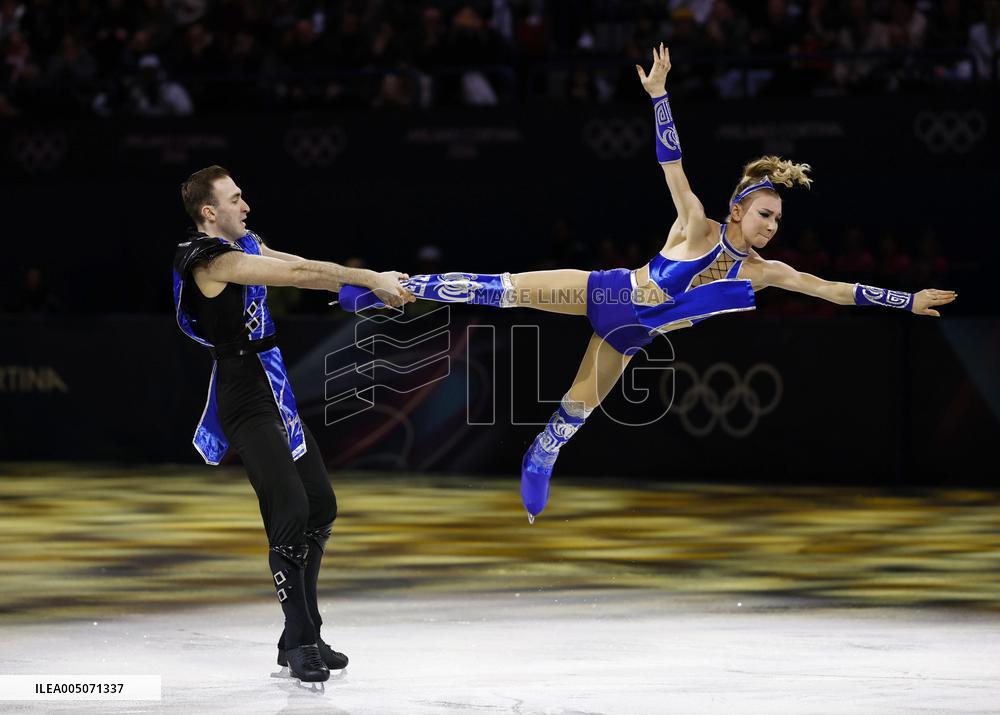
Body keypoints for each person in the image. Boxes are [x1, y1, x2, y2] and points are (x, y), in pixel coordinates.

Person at [338, 45, 957, 521]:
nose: (772, 226)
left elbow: (834, 290)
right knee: (498, 288)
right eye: (764, 213)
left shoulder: (767, 274)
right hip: (607, 292)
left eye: (778, 219)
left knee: (570, 419)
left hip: (631, 334)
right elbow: (672, 163)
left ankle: (538, 457)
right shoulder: (696, 224)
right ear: (739, 208)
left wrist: (906, 299)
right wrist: (660, 96)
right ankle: (386, 288)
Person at [171, 165, 413, 682]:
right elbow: (300, 276)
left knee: (320, 505)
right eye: (236, 199)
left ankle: (300, 633)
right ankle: (301, 639)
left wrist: (361, 287)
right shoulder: (208, 260)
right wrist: (369, 277)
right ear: (208, 212)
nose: (246, 206)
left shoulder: (248, 245)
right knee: (290, 507)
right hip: (242, 393)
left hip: (272, 386)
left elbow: (301, 264)